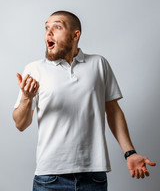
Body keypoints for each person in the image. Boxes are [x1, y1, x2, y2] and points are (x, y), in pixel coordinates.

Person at [13, 10, 156, 191]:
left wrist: (130, 153)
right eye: (46, 27)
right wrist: (27, 97)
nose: (48, 32)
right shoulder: (34, 69)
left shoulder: (98, 64)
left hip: (93, 177)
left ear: (75, 35)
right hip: (49, 177)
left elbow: (113, 111)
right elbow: (20, 124)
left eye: (57, 27)